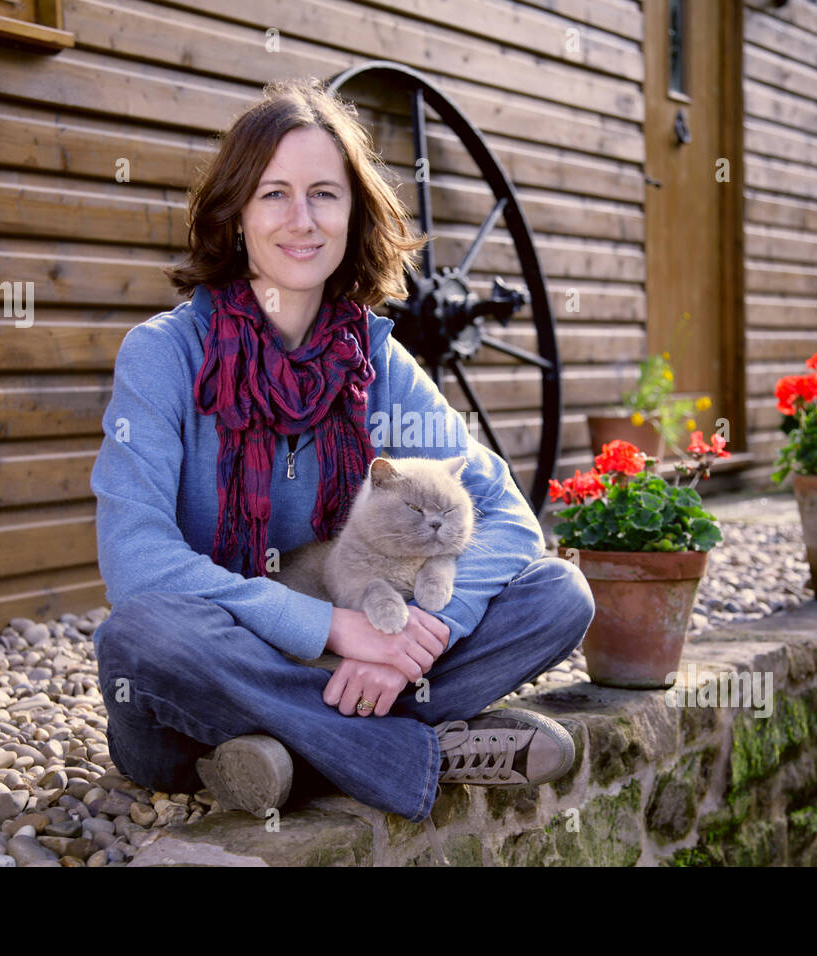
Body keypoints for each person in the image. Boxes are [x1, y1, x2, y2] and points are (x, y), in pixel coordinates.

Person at [89, 76, 595, 855]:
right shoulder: (164, 356)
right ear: (234, 215)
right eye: (274, 195)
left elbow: (504, 515)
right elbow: (134, 561)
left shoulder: (377, 361)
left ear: (353, 214)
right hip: (213, 667)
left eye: (324, 194)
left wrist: (412, 640)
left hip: (362, 655)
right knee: (141, 635)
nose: (302, 220)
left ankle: (285, 755)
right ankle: (404, 752)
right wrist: (333, 627)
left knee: (557, 594)